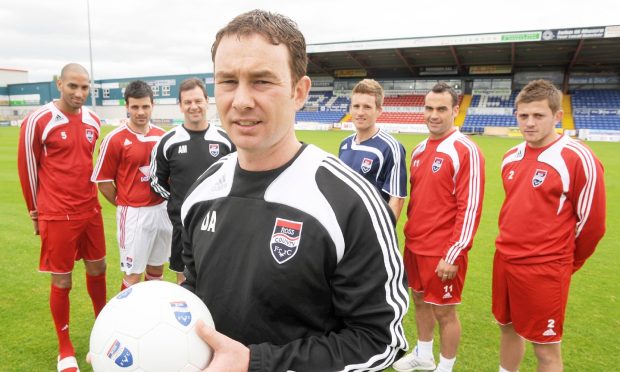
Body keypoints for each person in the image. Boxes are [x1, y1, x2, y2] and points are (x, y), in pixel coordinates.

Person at [181, 9, 409, 371]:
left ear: (299, 92)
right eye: (227, 81)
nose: (241, 100)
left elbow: (379, 340)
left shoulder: (350, 203)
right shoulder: (201, 192)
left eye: (261, 81)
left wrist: (255, 363)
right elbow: (195, 293)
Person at [493, 80, 606, 372]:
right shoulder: (510, 157)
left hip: (544, 268)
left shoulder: (578, 157)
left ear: (557, 116)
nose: (529, 123)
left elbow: (592, 225)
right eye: (523, 115)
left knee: (545, 349)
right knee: (507, 328)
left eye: (538, 116)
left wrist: (563, 262)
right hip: (504, 260)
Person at [17, 63, 107, 372]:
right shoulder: (38, 120)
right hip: (56, 213)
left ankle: (103, 331)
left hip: (90, 209)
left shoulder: (94, 120)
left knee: (99, 268)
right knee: (63, 279)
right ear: (59, 84)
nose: (79, 93)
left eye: (85, 88)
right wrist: (35, 211)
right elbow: (28, 168)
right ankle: (65, 348)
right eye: (73, 86)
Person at [393, 82, 485, 372]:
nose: (434, 115)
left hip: (443, 250)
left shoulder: (465, 150)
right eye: (429, 108)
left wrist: (454, 253)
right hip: (415, 245)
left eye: (441, 109)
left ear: (455, 110)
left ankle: (445, 368)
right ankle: (423, 355)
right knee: (419, 302)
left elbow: (469, 207)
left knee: (445, 312)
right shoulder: (419, 150)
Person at [149, 78, 235, 284]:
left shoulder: (226, 140)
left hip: (219, 225)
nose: (193, 106)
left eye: (198, 100)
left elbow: (238, 178)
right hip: (183, 226)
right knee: (184, 282)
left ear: (207, 101)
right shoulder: (168, 141)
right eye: (187, 102)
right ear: (180, 105)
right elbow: (155, 181)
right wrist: (179, 202)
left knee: (218, 279)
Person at [91, 80, 172, 291]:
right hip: (134, 214)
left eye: (145, 106)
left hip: (161, 211)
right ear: (126, 106)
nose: (140, 112)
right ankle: (124, 322)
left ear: (152, 105)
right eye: (135, 107)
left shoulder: (163, 137)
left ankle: (152, 317)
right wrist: (124, 202)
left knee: (156, 271)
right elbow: (104, 182)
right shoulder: (114, 139)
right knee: (133, 275)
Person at [338, 79, 407, 220]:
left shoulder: (391, 147)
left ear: (379, 111)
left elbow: (397, 199)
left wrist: (383, 235)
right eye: (356, 106)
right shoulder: (344, 144)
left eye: (367, 107)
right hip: (344, 227)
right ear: (350, 109)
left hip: (370, 231)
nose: (360, 112)